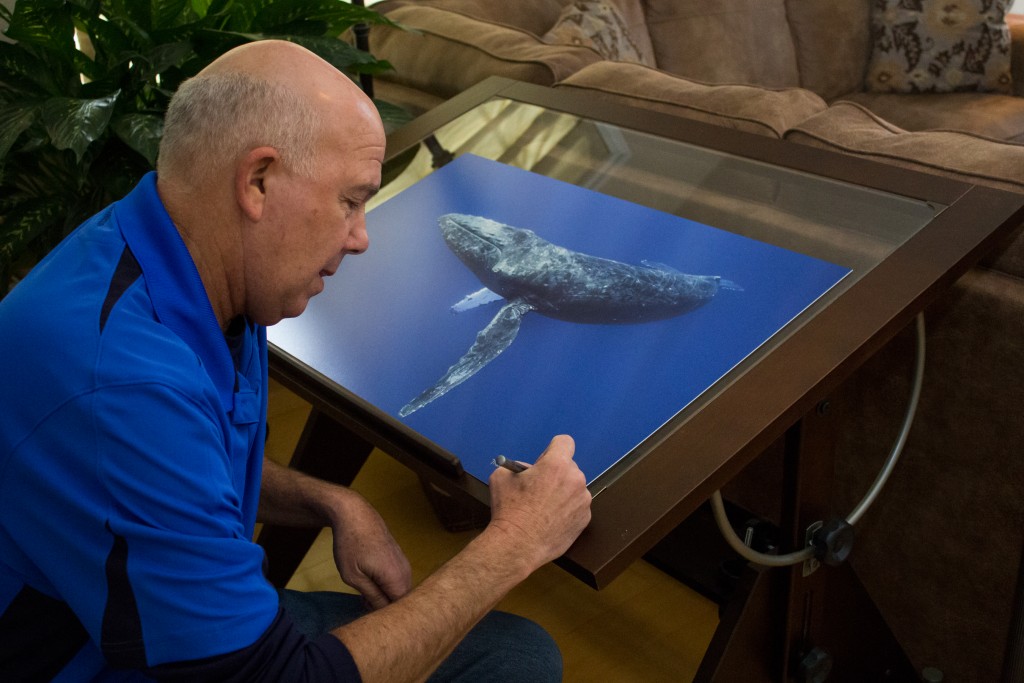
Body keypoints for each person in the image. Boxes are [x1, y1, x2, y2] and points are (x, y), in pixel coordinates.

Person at [0, 40, 592, 682]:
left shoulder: (185, 260)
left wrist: (333, 502)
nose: (362, 237)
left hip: (156, 613)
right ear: (258, 181)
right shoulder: (119, 378)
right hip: (91, 657)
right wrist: (515, 543)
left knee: (516, 653)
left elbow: (187, 467)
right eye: (351, 200)